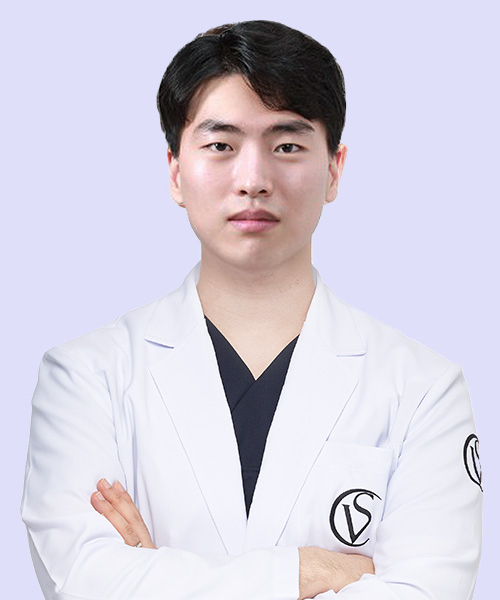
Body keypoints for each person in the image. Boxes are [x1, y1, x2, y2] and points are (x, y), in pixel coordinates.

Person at [21, 20, 482, 600]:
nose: (253, 179)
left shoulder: (424, 389)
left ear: (334, 169)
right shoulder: (84, 377)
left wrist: (156, 574)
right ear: (176, 171)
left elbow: (428, 592)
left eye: (287, 145)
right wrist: (309, 572)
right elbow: (86, 581)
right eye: (221, 145)